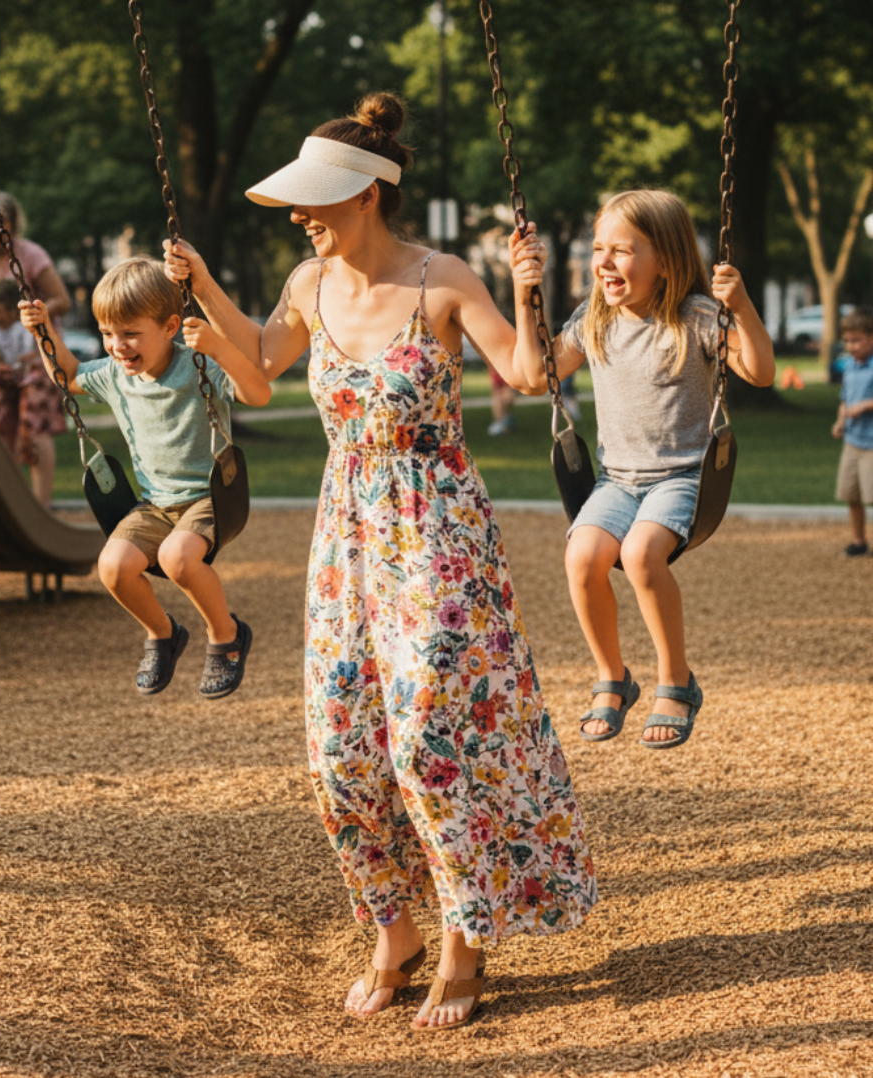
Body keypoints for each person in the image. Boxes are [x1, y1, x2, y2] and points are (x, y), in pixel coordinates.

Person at [164, 93, 596, 1031]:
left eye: (314, 200)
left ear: (366, 193)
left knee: (433, 733)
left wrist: (527, 290)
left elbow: (529, 375)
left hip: (439, 528)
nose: (300, 216)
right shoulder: (306, 284)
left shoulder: (444, 281)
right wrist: (201, 286)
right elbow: (260, 366)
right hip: (346, 535)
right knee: (342, 744)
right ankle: (394, 933)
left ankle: (465, 939)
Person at [513, 189, 775, 750]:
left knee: (639, 554)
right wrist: (523, 293)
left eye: (622, 251)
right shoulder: (594, 319)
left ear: (666, 260)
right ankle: (613, 677)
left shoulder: (696, 317)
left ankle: (676, 680)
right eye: (598, 249)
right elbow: (534, 378)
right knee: (581, 556)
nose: (604, 262)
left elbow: (760, 371)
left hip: (682, 478)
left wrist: (742, 307)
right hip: (617, 480)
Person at [20, 256, 271, 700]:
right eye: (107, 334)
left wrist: (219, 347)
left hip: (210, 498)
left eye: (130, 333)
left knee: (177, 558)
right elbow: (69, 376)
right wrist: (44, 332)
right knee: (113, 567)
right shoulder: (116, 375)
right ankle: (162, 633)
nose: (117, 346)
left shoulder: (199, 365)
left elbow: (258, 393)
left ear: (171, 326)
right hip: (155, 504)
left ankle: (226, 634)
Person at [0, 192, 71, 505]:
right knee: (1, 424)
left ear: (13, 224)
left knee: (33, 426)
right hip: (3, 358)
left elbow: (63, 300)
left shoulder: (30, 255)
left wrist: (31, 316)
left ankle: (41, 507)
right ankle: (12, 506)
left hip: (36, 354)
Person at [0, 278, 46, 500]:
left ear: (11, 312)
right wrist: (3, 368)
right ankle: (7, 478)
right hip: (3, 379)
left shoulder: (22, 328)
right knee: (0, 422)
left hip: (25, 376)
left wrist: (21, 368)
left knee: (29, 427)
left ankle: (27, 457)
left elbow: (30, 354)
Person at [831, 306, 873, 556]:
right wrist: (840, 421)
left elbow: (858, 404)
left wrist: (865, 405)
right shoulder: (849, 367)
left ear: (871, 338)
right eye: (847, 341)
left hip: (871, 445)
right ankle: (859, 542)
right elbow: (845, 400)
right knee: (852, 494)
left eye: (856, 340)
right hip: (852, 442)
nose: (851, 346)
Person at [486, 365, 517, 436]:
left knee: (507, 394)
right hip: (498, 368)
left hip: (506, 368)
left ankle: (505, 419)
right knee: (498, 394)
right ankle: (501, 421)